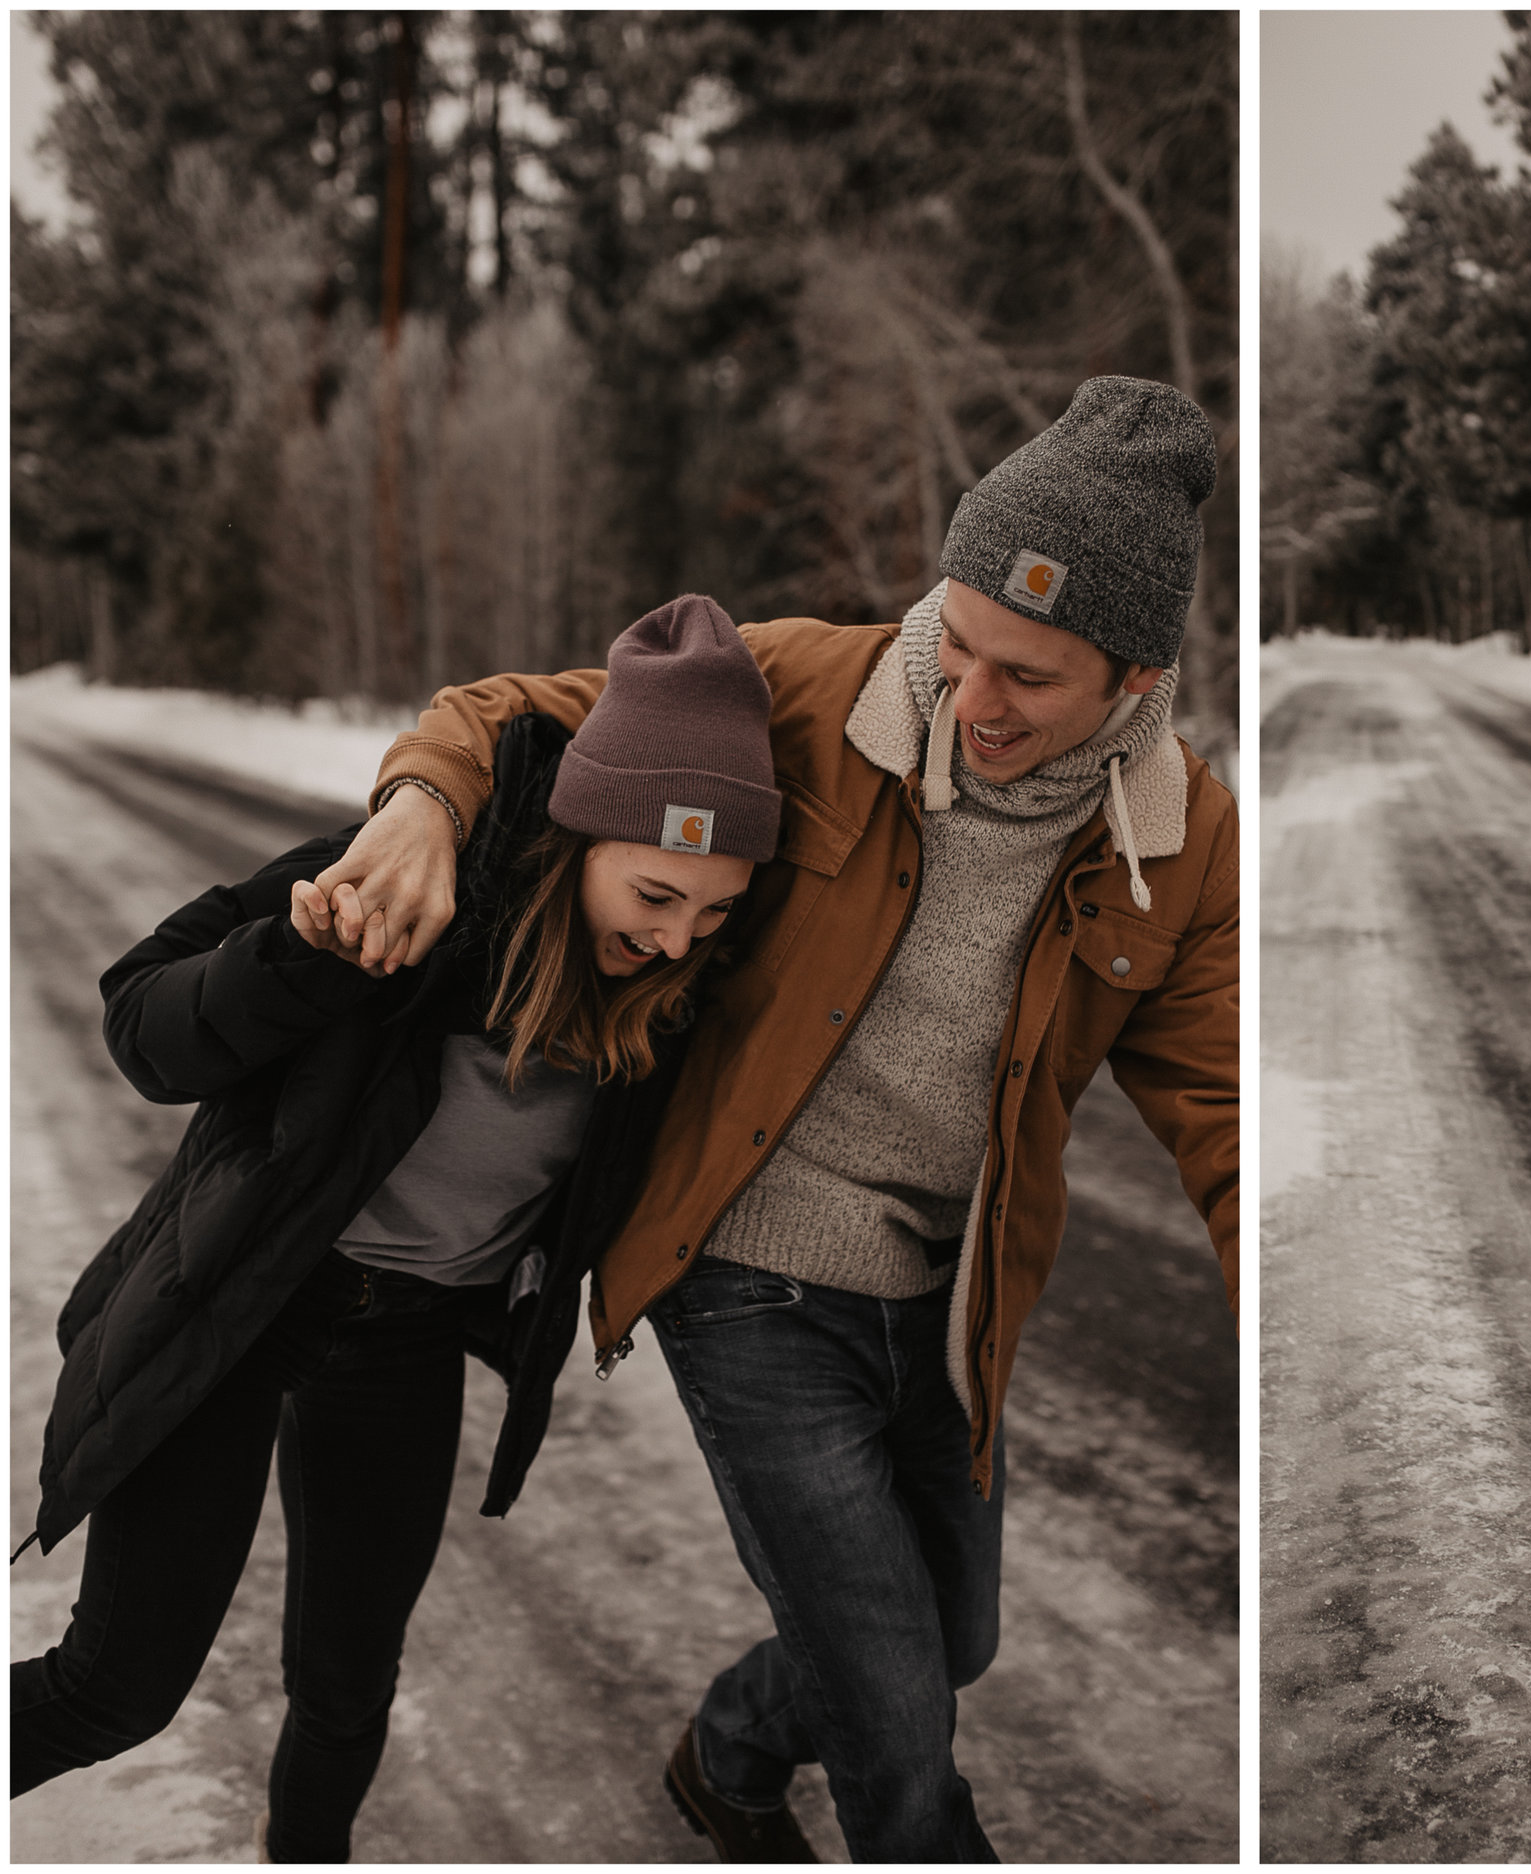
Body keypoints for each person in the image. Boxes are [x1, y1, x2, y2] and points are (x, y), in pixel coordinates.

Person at [312, 375, 1238, 1863]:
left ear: (1135, 679)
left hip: (949, 1297)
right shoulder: (810, 685)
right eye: (966, 642)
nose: (972, 697)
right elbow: (524, 717)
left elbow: (1224, 1104)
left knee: (955, 1641)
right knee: (893, 1713)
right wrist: (421, 799)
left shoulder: (1180, 840)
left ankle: (729, 1749)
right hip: (748, 1264)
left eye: (1030, 677)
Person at [11, 596, 778, 1860]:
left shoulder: (673, 992)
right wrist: (300, 950)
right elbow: (140, 1025)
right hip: (245, 1299)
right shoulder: (409, 885)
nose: (674, 937)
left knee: (348, 1686)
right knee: (116, 1688)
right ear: (581, 834)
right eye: (655, 891)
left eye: (714, 911)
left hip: (408, 1343)